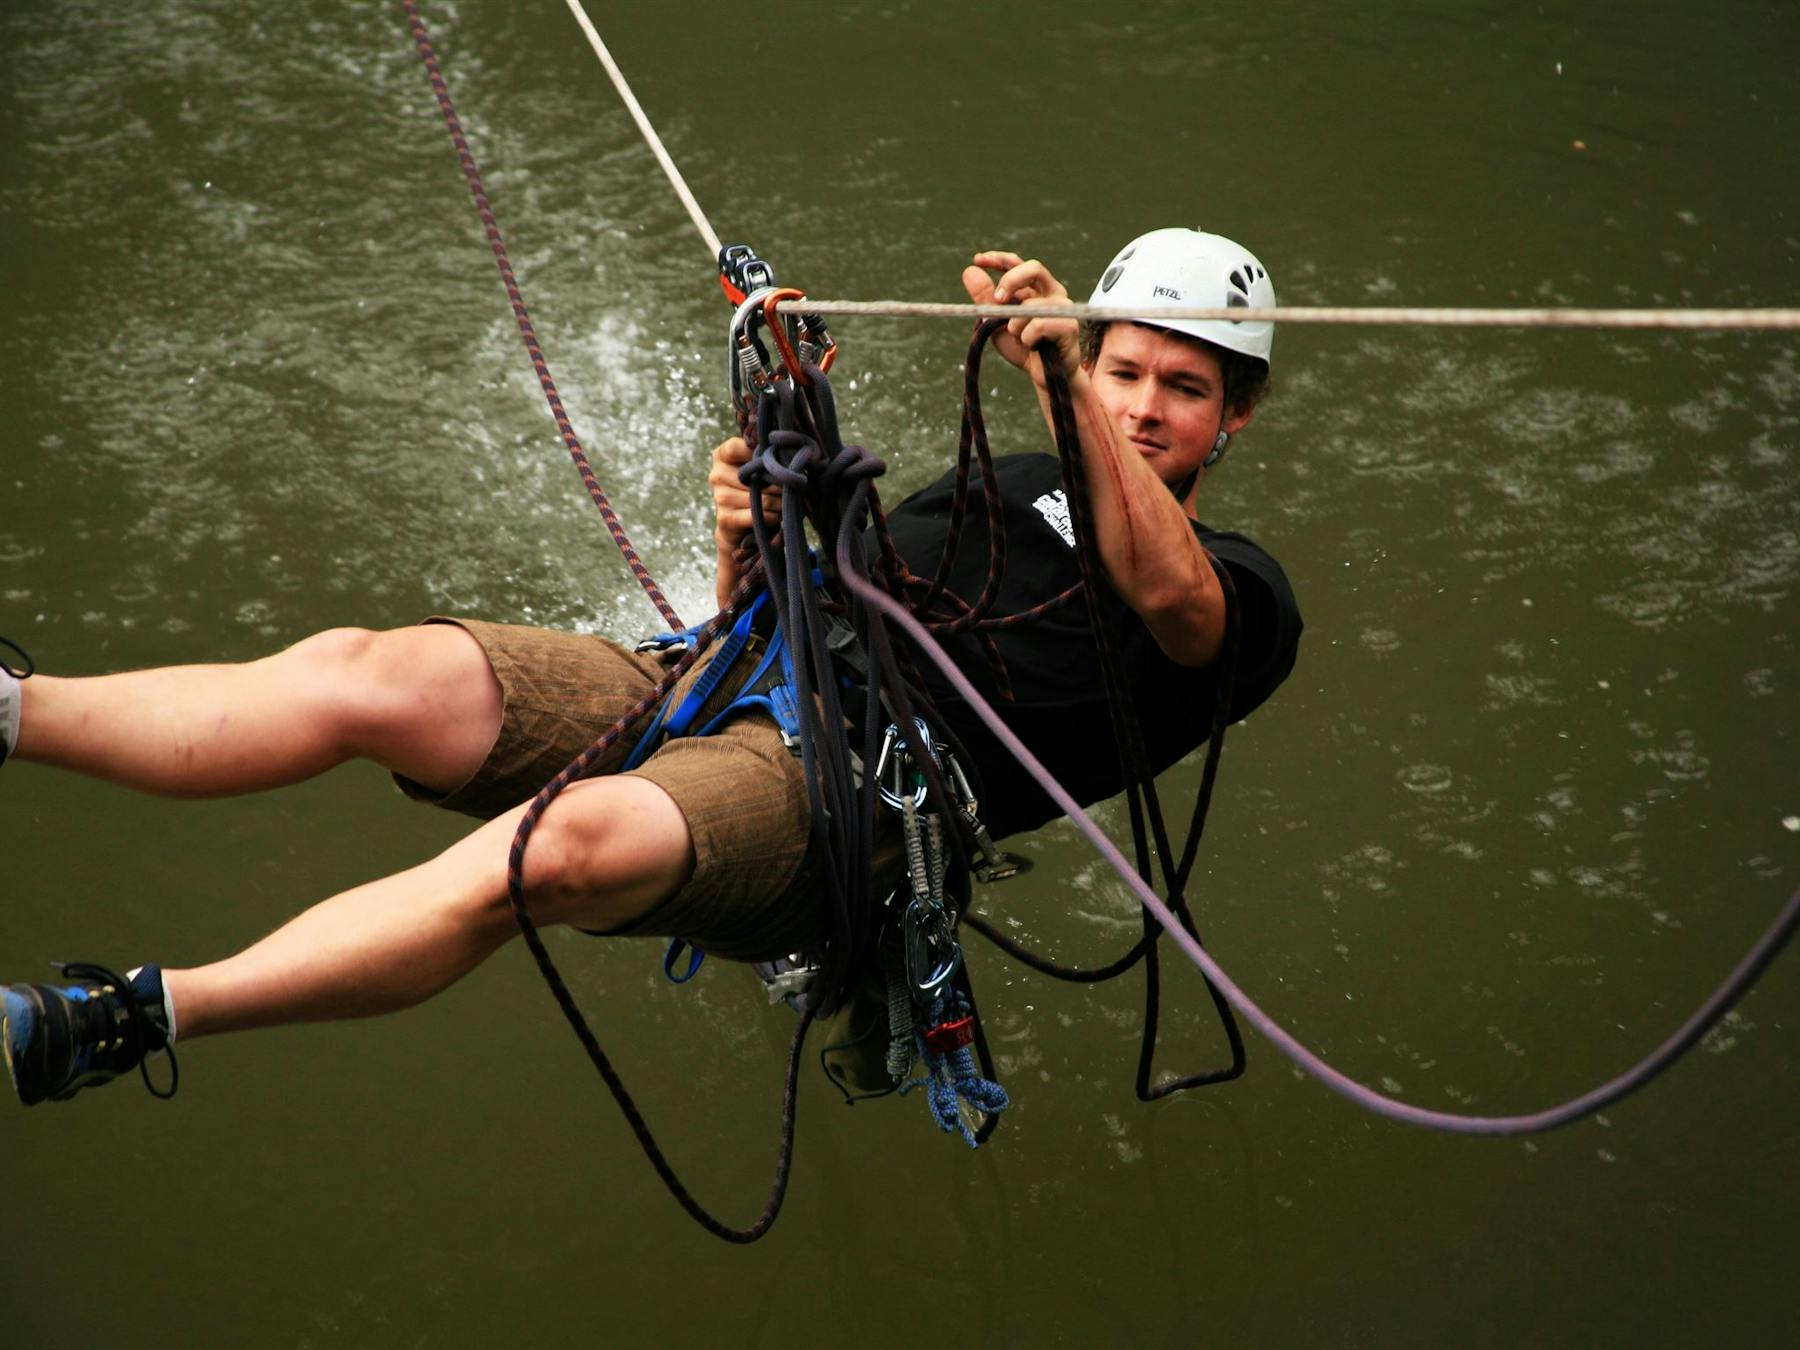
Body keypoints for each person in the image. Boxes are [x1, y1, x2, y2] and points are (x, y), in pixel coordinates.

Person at [1, 228, 1301, 1107]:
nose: (1139, 405)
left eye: (1178, 388)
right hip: (726, 671)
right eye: (1123, 368)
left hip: (845, 799)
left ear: (1231, 419)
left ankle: (128, 1018)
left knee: (556, 849)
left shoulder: (1243, 591)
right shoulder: (1008, 480)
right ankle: (16, 709)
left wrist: (1065, 376)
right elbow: (798, 593)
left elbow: (1169, 597)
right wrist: (749, 536)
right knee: (374, 674)